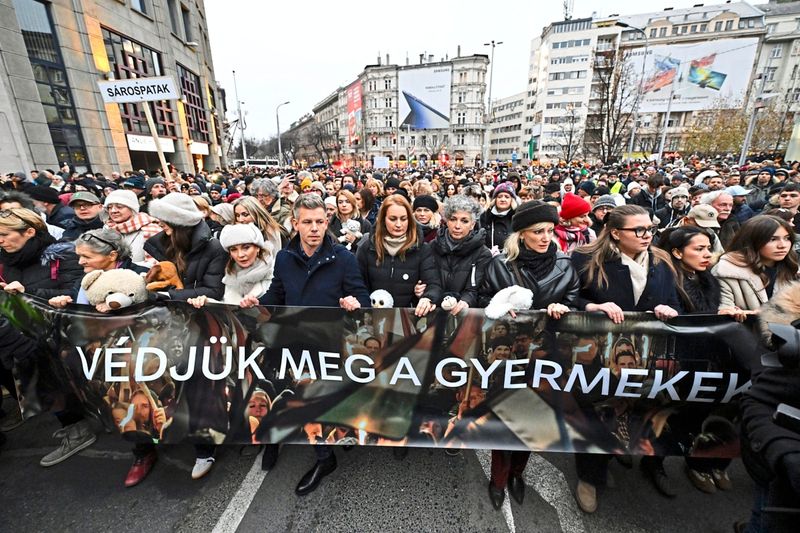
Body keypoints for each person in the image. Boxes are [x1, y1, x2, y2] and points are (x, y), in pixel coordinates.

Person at [570, 204, 680, 513]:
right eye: (639, 230)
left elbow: (674, 303)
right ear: (616, 233)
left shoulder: (661, 261)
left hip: (643, 359)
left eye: (650, 229)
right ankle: (590, 478)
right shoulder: (585, 259)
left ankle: (618, 453)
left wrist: (669, 311)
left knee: (631, 415)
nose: (647, 236)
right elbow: (569, 298)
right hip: (596, 356)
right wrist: (591, 307)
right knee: (594, 417)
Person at [259, 194, 370, 495]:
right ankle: (307, 450)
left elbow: (364, 299)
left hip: (329, 344)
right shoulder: (284, 257)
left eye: (320, 221)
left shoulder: (344, 258)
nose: (314, 228)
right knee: (294, 398)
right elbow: (277, 294)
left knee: (320, 402)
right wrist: (255, 303)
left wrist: (354, 302)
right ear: (295, 224)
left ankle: (326, 455)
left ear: (327, 222)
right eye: (307, 222)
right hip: (293, 343)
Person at [479, 200, 580, 509]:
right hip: (507, 358)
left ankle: (517, 474)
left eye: (550, 231)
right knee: (505, 418)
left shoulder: (565, 266)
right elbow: (483, 301)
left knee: (535, 420)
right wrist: (498, 308)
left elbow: (577, 304)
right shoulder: (500, 266)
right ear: (521, 234)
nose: (545, 237)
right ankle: (498, 478)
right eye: (537, 231)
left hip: (546, 359)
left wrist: (564, 309)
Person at [129, 193, 228, 485]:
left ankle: (204, 449)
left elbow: (213, 291)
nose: (162, 227)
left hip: (200, 327)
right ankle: (148, 441)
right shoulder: (159, 244)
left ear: (180, 224)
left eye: (167, 223)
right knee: (149, 383)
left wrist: (168, 295)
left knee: (197, 386)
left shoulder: (213, 249)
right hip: (162, 326)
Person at [0, 208, 88, 467]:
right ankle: (73, 428)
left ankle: (83, 428)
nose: (1, 241)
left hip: (64, 333)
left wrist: (28, 291)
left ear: (29, 232)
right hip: (27, 336)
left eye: (5, 235)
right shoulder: (7, 262)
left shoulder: (63, 254)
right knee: (45, 383)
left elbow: (74, 290)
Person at [356, 195, 438, 315]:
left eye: (403, 219)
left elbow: (434, 284)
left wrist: (427, 297)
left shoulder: (422, 249)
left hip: (409, 319)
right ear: (383, 219)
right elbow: (357, 283)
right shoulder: (367, 247)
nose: (399, 224)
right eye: (393, 219)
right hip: (372, 319)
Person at [712, 215, 799, 312]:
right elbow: (724, 312)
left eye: (787, 238)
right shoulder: (726, 270)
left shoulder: (792, 269)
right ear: (753, 241)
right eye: (772, 239)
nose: (782, 245)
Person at [48, 228, 149, 311]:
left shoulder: (141, 276)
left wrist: (118, 307)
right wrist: (64, 304)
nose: (80, 262)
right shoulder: (87, 278)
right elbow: (79, 311)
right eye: (79, 256)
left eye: (87, 257)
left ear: (112, 256)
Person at [427, 195, 492, 316]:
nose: (457, 226)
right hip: (434, 312)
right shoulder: (432, 246)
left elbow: (476, 289)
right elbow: (429, 280)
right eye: (453, 219)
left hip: (465, 315)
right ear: (446, 221)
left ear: (472, 224)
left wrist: (466, 301)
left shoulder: (483, 253)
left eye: (464, 221)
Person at [187, 223, 273, 307]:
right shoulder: (230, 274)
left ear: (258, 247)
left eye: (246, 247)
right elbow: (230, 308)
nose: (240, 255)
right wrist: (206, 302)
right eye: (233, 249)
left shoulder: (273, 272)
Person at [103, 189, 161, 266]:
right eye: (109, 207)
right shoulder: (107, 229)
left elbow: (159, 263)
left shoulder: (152, 230)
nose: (113, 211)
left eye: (119, 207)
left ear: (132, 209)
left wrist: (123, 267)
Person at [480, 182, 517, 255]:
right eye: (500, 196)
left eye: (507, 197)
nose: (503, 199)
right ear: (495, 199)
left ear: (511, 200)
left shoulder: (516, 217)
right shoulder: (485, 216)